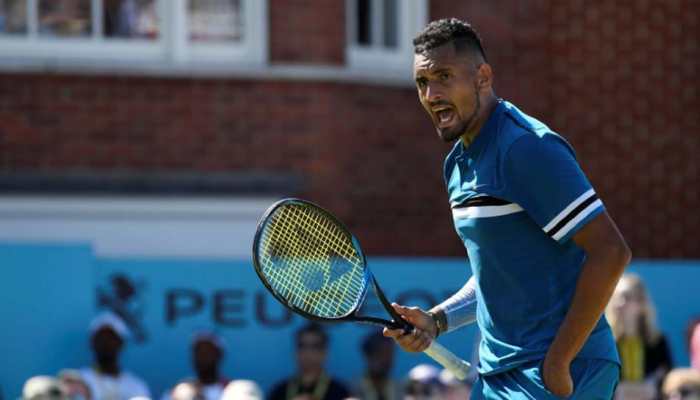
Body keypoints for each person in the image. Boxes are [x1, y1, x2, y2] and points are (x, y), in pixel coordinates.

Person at [382, 18, 632, 399]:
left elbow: (611, 252)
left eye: (444, 76)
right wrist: (437, 320)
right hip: (496, 373)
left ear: (482, 76)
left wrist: (558, 361)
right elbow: (497, 272)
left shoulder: (526, 147)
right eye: (422, 82)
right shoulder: (457, 164)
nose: (431, 93)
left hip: (562, 371)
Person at [606, 273, 673, 399]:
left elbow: (668, 382)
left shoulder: (658, 342)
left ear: (642, 303)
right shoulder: (606, 342)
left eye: (626, 297)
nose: (619, 304)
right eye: (615, 298)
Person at [267, 323, 350, 400]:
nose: (308, 353)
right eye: (302, 346)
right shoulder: (279, 391)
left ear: (325, 353)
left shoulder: (340, 393)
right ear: (295, 352)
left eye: (315, 346)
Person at [79, 311, 151, 400]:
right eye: (101, 338)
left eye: (111, 338)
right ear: (92, 343)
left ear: (121, 344)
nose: (105, 344)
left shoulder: (136, 386)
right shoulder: (79, 380)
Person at [165, 331, 230, 400]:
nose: (202, 357)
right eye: (198, 352)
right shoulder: (179, 390)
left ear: (219, 356)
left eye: (207, 352)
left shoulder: (232, 390)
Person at [353, 332, 402, 400]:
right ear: (368, 356)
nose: (386, 359)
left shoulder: (400, 390)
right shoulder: (353, 390)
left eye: (389, 354)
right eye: (381, 353)